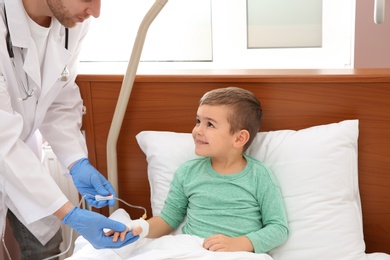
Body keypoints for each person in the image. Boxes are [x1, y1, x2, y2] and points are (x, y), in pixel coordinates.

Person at [0, 0, 138, 259]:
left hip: (20, 153)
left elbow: (60, 97)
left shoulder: (70, 23)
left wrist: (76, 161)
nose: (96, 12)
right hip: (6, 147)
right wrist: (70, 214)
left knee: (45, 241)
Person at [110, 86, 289, 254]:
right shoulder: (188, 172)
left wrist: (239, 243)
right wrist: (138, 229)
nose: (197, 131)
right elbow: (168, 219)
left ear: (239, 138)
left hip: (238, 253)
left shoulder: (259, 176)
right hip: (193, 249)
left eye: (209, 124)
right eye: (198, 121)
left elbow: (278, 228)